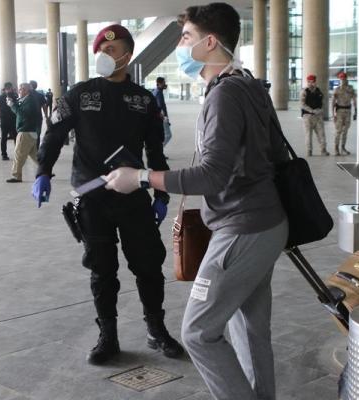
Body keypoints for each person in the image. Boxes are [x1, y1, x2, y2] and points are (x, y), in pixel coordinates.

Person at [103, 4, 289, 399]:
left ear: (210, 42)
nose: (180, 46)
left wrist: (140, 177)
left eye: (186, 37)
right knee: (249, 328)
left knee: (198, 332)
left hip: (242, 228)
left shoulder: (225, 95)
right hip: (266, 223)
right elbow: (272, 155)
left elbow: (211, 176)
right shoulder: (249, 84)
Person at [32, 24, 183, 365]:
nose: (105, 54)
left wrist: (161, 194)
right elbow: (54, 135)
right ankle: (108, 336)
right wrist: (43, 172)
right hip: (91, 198)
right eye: (101, 50)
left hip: (132, 194)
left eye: (112, 50)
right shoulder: (80, 94)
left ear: (127, 55)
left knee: (148, 266)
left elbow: (155, 149)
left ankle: (156, 329)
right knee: (102, 270)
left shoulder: (143, 100)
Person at [6, 83, 40, 183]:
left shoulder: (30, 101)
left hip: (25, 131)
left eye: (21, 89)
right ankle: (46, 170)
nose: (19, 91)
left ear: (26, 90)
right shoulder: (27, 100)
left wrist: (12, 105)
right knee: (35, 156)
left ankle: (16, 176)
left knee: (18, 154)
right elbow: (21, 111)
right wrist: (13, 104)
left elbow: (22, 114)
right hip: (30, 131)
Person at [300, 74, 327, 156]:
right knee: (308, 134)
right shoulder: (304, 91)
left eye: (313, 82)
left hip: (318, 116)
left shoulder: (319, 91)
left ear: (315, 82)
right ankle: (309, 151)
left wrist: (320, 110)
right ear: (307, 82)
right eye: (309, 82)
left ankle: (323, 150)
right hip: (307, 117)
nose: (311, 84)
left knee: (321, 134)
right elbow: (302, 104)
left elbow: (322, 103)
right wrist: (311, 111)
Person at [332, 71, 356, 156]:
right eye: (341, 79)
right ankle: (336, 148)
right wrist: (333, 114)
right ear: (339, 79)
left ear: (346, 79)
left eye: (344, 78)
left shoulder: (351, 89)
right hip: (339, 112)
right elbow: (333, 102)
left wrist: (356, 111)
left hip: (348, 112)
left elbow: (354, 100)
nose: (342, 80)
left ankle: (343, 147)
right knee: (338, 131)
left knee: (345, 131)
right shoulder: (337, 90)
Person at [0, 82, 18, 161]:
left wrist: (0, 116)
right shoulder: (14, 96)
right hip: (12, 120)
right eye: (10, 88)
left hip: (6, 120)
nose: (10, 90)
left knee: (5, 137)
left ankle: (4, 155)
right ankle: (16, 154)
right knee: (15, 137)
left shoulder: (1, 97)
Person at [152, 77, 173, 147]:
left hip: (157, 118)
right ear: (159, 83)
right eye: (163, 83)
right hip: (161, 117)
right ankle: (158, 149)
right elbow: (160, 106)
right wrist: (165, 118)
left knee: (160, 135)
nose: (165, 84)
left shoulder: (156, 91)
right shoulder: (158, 93)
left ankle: (158, 149)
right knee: (168, 135)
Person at [29, 80, 48, 145]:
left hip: (29, 118)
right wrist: (46, 116)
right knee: (37, 134)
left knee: (30, 134)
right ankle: (36, 148)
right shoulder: (40, 95)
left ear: (31, 86)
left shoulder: (27, 94)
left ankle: (32, 147)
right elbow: (44, 106)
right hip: (38, 118)